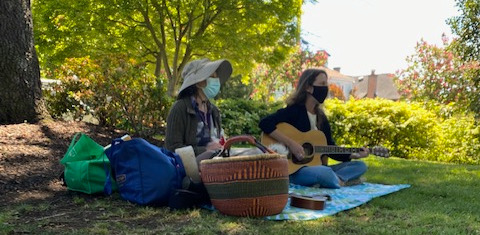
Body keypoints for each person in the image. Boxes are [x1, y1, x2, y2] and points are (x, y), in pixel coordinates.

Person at [259, 68, 369, 188]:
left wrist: (351, 154)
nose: (325, 88)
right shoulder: (294, 110)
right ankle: (337, 181)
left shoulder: (321, 117)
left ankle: (337, 181)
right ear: (308, 87)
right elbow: (265, 123)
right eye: (322, 84)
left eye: (326, 84)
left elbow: (329, 147)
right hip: (294, 170)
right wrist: (291, 144)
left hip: (316, 168)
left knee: (360, 166)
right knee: (325, 172)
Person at [165, 58, 232, 164]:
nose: (216, 81)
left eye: (216, 77)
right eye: (212, 77)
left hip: (214, 165)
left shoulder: (213, 110)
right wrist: (206, 150)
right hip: (187, 170)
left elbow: (218, 140)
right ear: (198, 82)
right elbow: (172, 148)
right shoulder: (180, 108)